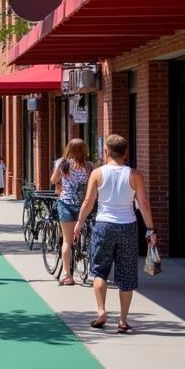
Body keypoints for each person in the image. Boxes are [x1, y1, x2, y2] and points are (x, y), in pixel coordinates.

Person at [74, 133, 157, 332]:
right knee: (126, 274)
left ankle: (101, 310)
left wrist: (79, 223)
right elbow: (144, 204)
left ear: (106, 151)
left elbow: (88, 202)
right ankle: (122, 320)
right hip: (128, 226)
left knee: (100, 270)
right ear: (126, 153)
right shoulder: (135, 175)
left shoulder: (97, 173)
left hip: (103, 225)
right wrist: (151, 229)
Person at [50, 137, 92, 286]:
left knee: (67, 241)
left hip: (66, 203)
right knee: (83, 235)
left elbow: (53, 180)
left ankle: (68, 275)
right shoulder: (89, 166)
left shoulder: (63, 164)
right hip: (84, 206)